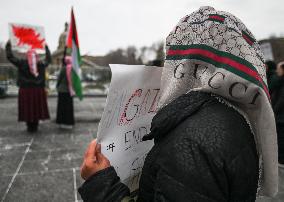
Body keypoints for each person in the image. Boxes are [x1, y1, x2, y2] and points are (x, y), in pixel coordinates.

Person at [79, 6, 278, 202]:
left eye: (171, 55)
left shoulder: (190, 142)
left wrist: (101, 184)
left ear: (187, 62)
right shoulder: (236, 113)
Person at [6, 41, 51, 133]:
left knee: (28, 107)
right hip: (38, 90)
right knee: (37, 107)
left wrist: (8, 45)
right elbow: (49, 60)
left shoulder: (22, 63)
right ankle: (35, 123)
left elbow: (10, 57)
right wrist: (46, 48)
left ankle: (29, 124)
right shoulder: (41, 64)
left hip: (26, 90)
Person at [56, 56, 75, 128]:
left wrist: (57, 86)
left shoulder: (63, 68)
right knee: (69, 107)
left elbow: (59, 79)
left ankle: (62, 122)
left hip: (62, 90)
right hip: (70, 91)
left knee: (61, 107)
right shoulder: (73, 69)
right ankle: (69, 122)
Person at [272, 61, 284, 166]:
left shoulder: (281, 82)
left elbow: (281, 100)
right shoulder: (279, 82)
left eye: (279, 69)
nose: (277, 71)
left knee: (281, 139)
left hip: (281, 118)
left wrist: (274, 110)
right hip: (280, 117)